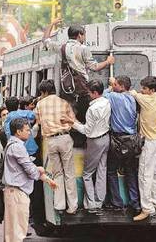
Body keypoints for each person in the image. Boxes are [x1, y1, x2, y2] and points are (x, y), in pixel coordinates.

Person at [42, 18, 115, 124]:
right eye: (84, 35)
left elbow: (45, 41)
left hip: (67, 90)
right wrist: (107, 62)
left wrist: (52, 24)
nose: (84, 38)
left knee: (69, 120)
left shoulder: (60, 47)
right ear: (79, 35)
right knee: (86, 120)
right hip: (83, 90)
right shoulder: (83, 49)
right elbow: (94, 67)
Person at [3, 118, 57, 242]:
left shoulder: (13, 144)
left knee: (12, 232)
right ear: (18, 131)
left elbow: (26, 167)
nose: (29, 133)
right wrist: (41, 172)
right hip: (17, 192)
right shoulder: (17, 147)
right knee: (17, 232)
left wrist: (45, 177)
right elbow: (30, 170)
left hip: (14, 192)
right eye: (27, 130)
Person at [61, 79, 111, 213]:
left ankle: (92, 204)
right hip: (106, 138)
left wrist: (71, 122)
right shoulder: (106, 102)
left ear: (95, 93)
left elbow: (86, 131)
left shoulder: (92, 109)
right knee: (101, 170)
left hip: (94, 141)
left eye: (89, 92)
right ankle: (100, 201)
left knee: (87, 173)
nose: (88, 94)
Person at [34, 79, 78, 214]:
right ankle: (72, 207)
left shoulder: (40, 104)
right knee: (69, 173)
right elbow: (73, 121)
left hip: (51, 141)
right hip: (65, 138)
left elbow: (39, 122)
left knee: (57, 173)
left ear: (45, 91)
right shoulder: (64, 103)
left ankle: (59, 205)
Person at [129, 76, 156, 221]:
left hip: (148, 141)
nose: (141, 90)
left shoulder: (144, 99)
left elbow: (132, 93)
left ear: (151, 90)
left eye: (144, 88)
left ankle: (147, 208)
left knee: (144, 175)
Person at [104, 76, 141, 214]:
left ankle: (117, 202)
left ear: (122, 86)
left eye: (115, 84)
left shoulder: (113, 97)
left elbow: (101, 95)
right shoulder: (132, 98)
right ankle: (135, 203)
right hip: (131, 140)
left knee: (111, 171)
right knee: (131, 172)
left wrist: (109, 85)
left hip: (118, 140)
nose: (113, 86)